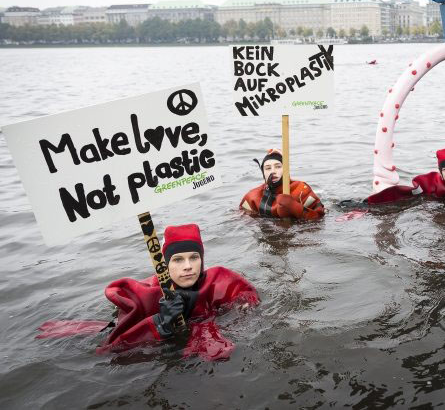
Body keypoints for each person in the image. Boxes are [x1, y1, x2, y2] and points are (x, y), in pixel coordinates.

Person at [36, 224, 260, 361]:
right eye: (178, 260)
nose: (188, 266)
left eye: (194, 257)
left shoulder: (218, 280)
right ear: (164, 264)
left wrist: (241, 309)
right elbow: (116, 349)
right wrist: (161, 323)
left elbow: (249, 301)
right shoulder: (148, 293)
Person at [240, 148, 325, 219]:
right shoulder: (253, 196)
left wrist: (295, 208)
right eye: (268, 168)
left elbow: (320, 217)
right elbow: (241, 218)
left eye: (278, 166)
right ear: (263, 172)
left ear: (286, 169)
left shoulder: (301, 190)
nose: (273, 171)